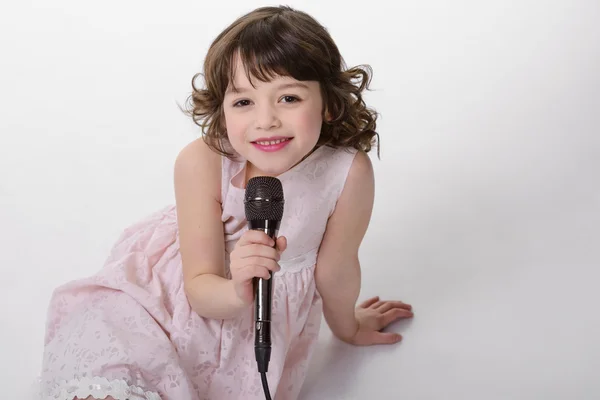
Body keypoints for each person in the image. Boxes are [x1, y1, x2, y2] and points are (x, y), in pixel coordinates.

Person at [38, 5, 414, 400]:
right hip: (174, 300)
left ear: (329, 103)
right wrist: (239, 291)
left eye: (288, 97)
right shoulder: (201, 162)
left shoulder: (347, 172)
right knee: (111, 379)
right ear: (221, 108)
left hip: (256, 329)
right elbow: (199, 286)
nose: (266, 120)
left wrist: (348, 328)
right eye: (243, 102)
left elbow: (335, 269)